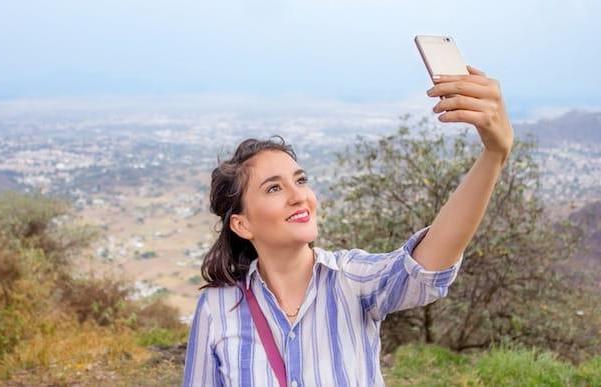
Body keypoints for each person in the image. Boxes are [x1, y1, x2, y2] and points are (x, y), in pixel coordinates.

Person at [182, 65, 514, 386]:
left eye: (300, 180)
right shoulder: (218, 308)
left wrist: (494, 154)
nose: (299, 196)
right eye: (274, 188)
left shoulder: (352, 281)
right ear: (242, 224)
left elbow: (425, 269)